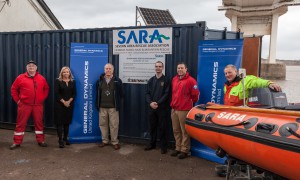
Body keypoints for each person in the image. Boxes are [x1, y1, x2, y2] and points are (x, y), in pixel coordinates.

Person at [10, 60, 49, 150]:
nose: (31, 68)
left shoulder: (41, 78)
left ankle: (40, 140)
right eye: (29, 66)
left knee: (39, 123)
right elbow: (13, 89)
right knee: (20, 123)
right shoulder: (20, 77)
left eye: (33, 66)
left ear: (36, 68)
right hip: (24, 105)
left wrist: (42, 98)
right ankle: (17, 142)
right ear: (26, 68)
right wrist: (18, 101)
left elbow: (46, 88)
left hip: (37, 105)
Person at [170, 62, 200, 159]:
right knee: (176, 130)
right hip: (174, 108)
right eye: (178, 68)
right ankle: (178, 148)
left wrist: (188, 103)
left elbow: (195, 95)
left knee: (185, 131)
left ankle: (184, 150)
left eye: (182, 68)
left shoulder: (191, 81)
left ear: (186, 69)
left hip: (184, 109)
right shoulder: (174, 79)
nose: (180, 70)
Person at [144, 61, 170, 154]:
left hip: (162, 108)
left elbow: (167, 94)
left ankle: (163, 147)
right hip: (151, 108)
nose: (158, 68)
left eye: (160, 66)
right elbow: (147, 93)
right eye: (156, 66)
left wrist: (158, 103)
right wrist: (150, 102)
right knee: (152, 127)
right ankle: (152, 144)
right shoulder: (151, 80)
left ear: (162, 68)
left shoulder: (166, 80)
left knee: (163, 127)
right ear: (154, 68)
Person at [96, 63, 123, 150]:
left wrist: (118, 104)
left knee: (114, 125)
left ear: (113, 70)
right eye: (106, 69)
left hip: (113, 107)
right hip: (102, 106)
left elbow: (122, 94)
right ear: (104, 70)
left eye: (109, 69)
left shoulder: (117, 81)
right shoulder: (99, 81)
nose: (108, 70)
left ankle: (115, 142)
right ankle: (104, 141)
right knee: (102, 124)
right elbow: (97, 94)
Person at [54, 66, 76, 148]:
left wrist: (69, 101)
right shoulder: (58, 81)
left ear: (69, 73)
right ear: (61, 73)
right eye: (64, 72)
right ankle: (60, 140)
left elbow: (74, 93)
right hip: (59, 105)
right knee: (59, 123)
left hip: (69, 105)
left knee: (67, 123)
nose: (66, 73)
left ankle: (65, 139)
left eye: (67, 72)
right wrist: (64, 102)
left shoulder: (73, 82)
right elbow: (57, 94)